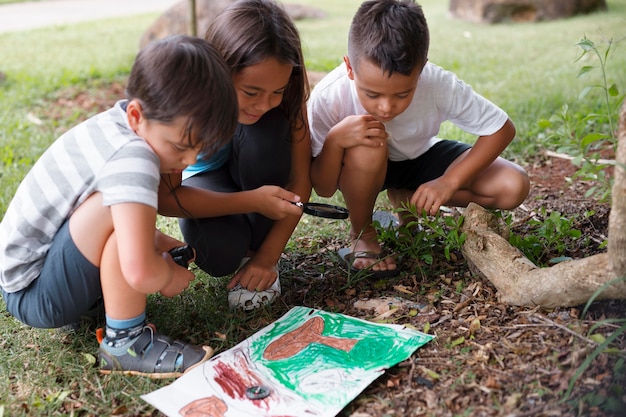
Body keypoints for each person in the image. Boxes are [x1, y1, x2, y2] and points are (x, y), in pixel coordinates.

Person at [0, 35, 239, 378]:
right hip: (35, 293)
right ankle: (125, 344)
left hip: (34, 273)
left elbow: (98, 221)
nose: (187, 160)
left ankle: (103, 307)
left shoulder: (119, 126)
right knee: (118, 215)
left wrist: (155, 242)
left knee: (121, 214)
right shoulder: (134, 158)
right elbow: (139, 269)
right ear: (136, 115)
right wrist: (167, 275)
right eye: (180, 146)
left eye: (199, 150)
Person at [307, 0, 530, 278]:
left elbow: (501, 128)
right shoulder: (329, 96)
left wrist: (449, 181)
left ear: (421, 68)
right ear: (350, 67)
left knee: (512, 186)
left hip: (418, 158)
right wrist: (336, 140)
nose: (386, 107)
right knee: (369, 142)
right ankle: (362, 231)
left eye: (402, 94)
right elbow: (324, 188)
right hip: (359, 168)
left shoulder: (438, 84)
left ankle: (408, 198)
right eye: (372, 94)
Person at [158, 0, 311, 310]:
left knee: (265, 137)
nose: (264, 103)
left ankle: (256, 256)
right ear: (220, 70)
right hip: (206, 180)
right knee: (220, 254)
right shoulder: (187, 104)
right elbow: (167, 198)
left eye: (277, 92)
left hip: (256, 165)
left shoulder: (287, 99)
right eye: (251, 92)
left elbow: (300, 182)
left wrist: (268, 258)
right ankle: (241, 253)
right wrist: (251, 200)